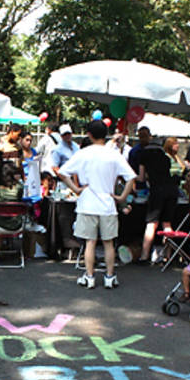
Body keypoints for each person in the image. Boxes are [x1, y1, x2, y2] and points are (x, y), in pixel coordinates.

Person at [58, 120, 136, 288]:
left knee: (90, 242)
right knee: (108, 243)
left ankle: (90, 276)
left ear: (89, 134)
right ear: (106, 134)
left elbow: (62, 172)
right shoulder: (114, 154)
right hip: (107, 204)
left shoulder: (83, 153)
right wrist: (122, 197)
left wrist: (76, 189)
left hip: (87, 203)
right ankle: (109, 276)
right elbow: (131, 177)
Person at [138, 139, 178, 264]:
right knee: (167, 224)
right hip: (172, 190)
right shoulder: (165, 158)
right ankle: (168, 256)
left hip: (157, 191)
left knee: (152, 223)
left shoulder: (144, 157)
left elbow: (141, 178)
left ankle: (144, 256)